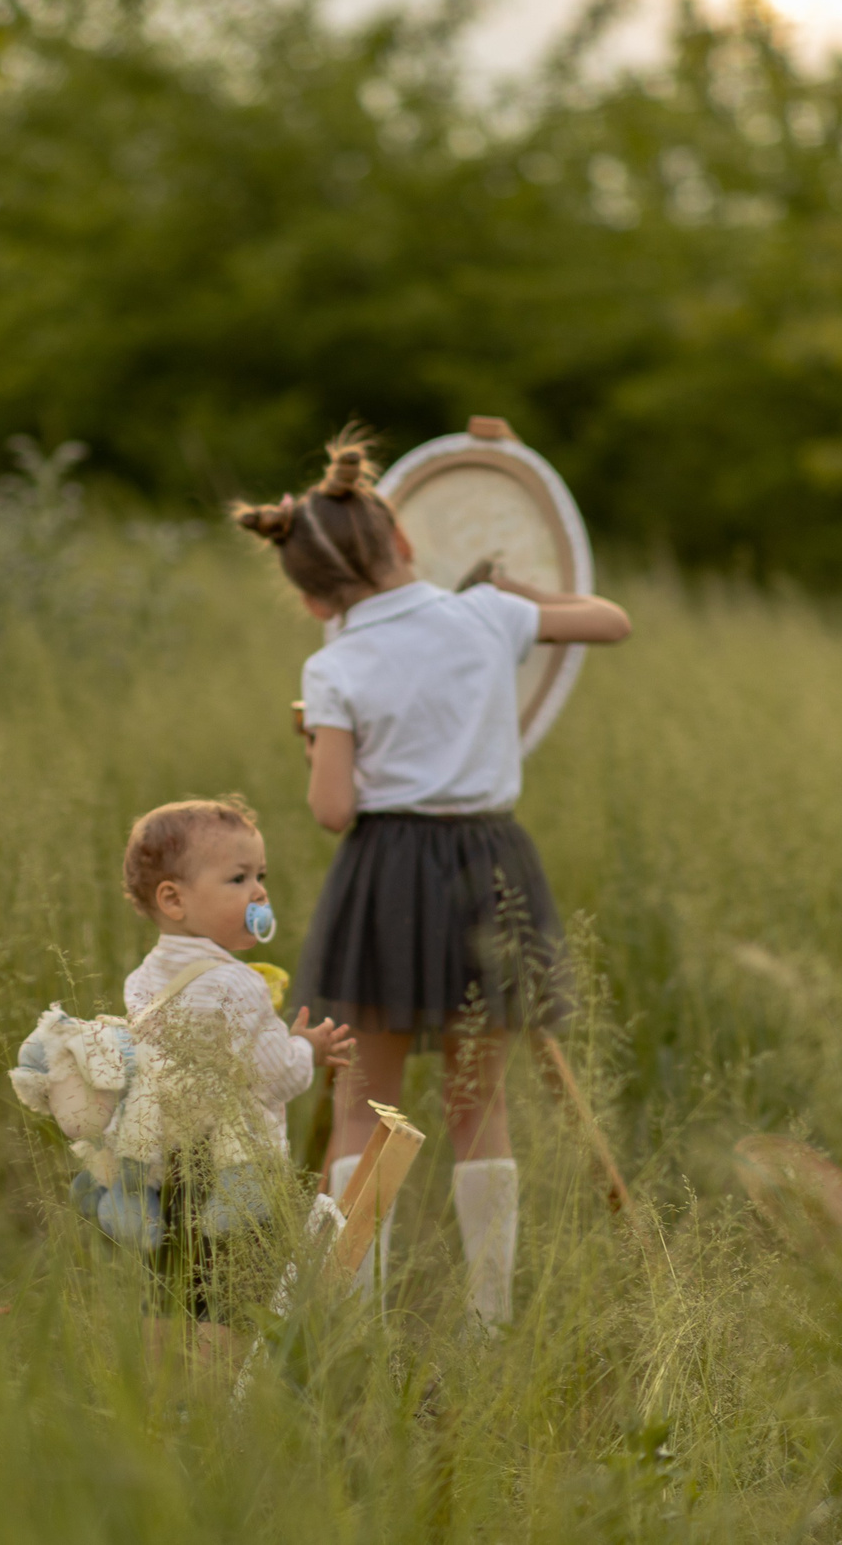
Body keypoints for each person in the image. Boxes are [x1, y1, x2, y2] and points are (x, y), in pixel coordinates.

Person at [231, 437, 631, 1325]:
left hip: (387, 873)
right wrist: (518, 595)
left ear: (307, 598)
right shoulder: (487, 615)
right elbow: (610, 620)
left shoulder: (334, 665)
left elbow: (333, 808)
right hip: (490, 864)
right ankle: (491, 1322)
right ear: (405, 540)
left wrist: (318, 750)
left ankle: (350, 1318)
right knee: (475, 1103)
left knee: (363, 1107)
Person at [117, 797, 354, 1352]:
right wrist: (305, 1049)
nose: (260, 893)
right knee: (231, 1302)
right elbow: (273, 1077)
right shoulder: (238, 985)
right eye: (238, 878)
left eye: (261, 876)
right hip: (236, 1175)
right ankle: (225, 1402)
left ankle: (166, 1399)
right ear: (173, 899)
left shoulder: (144, 980)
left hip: (168, 1167)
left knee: (171, 1290)